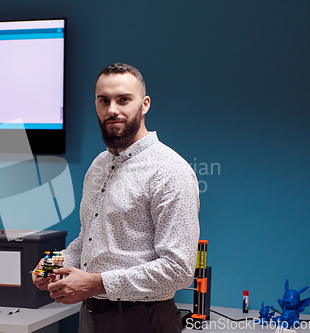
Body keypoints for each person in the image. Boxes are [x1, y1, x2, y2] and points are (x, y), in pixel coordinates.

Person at [32, 63, 200, 332]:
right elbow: (89, 239)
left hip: (143, 319)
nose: (112, 109)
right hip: (90, 317)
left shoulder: (169, 170)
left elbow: (177, 271)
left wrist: (97, 283)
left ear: (144, 104)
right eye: (104, 100)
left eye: (123, 99)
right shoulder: (99, 165)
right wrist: (54, 264)